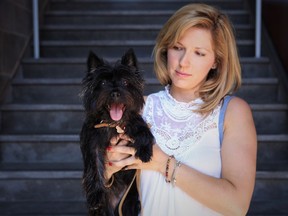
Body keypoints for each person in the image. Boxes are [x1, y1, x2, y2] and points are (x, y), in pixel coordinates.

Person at [104, 3, 257, 216]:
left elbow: (237, 205)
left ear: (216, 61)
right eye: (178, 47)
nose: (184, 62)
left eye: (199, 53)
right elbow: (109, 195)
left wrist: (163, 164)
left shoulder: (233, 112)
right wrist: (107, 171)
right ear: (166, 49)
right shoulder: (139, 108)